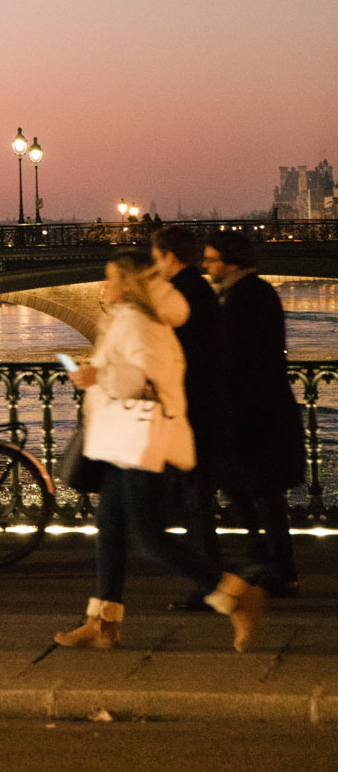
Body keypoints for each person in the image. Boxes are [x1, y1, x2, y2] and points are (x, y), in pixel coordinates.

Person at [55, 251, 263, 652]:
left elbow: (139, 378)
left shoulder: (136, 321)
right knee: (111, 529)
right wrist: (97, 372)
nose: (104, 285)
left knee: (148, 537)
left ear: (129, 283)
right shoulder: (130, 319)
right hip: (123, 439)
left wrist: (96, 375)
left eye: (110, 277)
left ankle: (236, 593)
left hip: (142, 441)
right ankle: (102, 623)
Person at [204, 232, 305, 596]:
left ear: (230, 262)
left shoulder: (244, 297)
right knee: (255, 490)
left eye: (213, 259)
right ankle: (268, 562)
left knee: (260, 492)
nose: (207, 265)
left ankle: (277, 567)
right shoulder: (253, 292)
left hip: (255, 414)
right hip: (260, 410)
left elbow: (233, 357)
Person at [149, 225, 229, 610]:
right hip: (204, 407)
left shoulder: (181, 294)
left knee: (193, 500)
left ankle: (213, 583)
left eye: (155, 257)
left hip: (191, 411)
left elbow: (183, 355)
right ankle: (213, 577)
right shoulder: (199, 289)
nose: (154, 266)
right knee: (193, 498)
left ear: (170, 257)